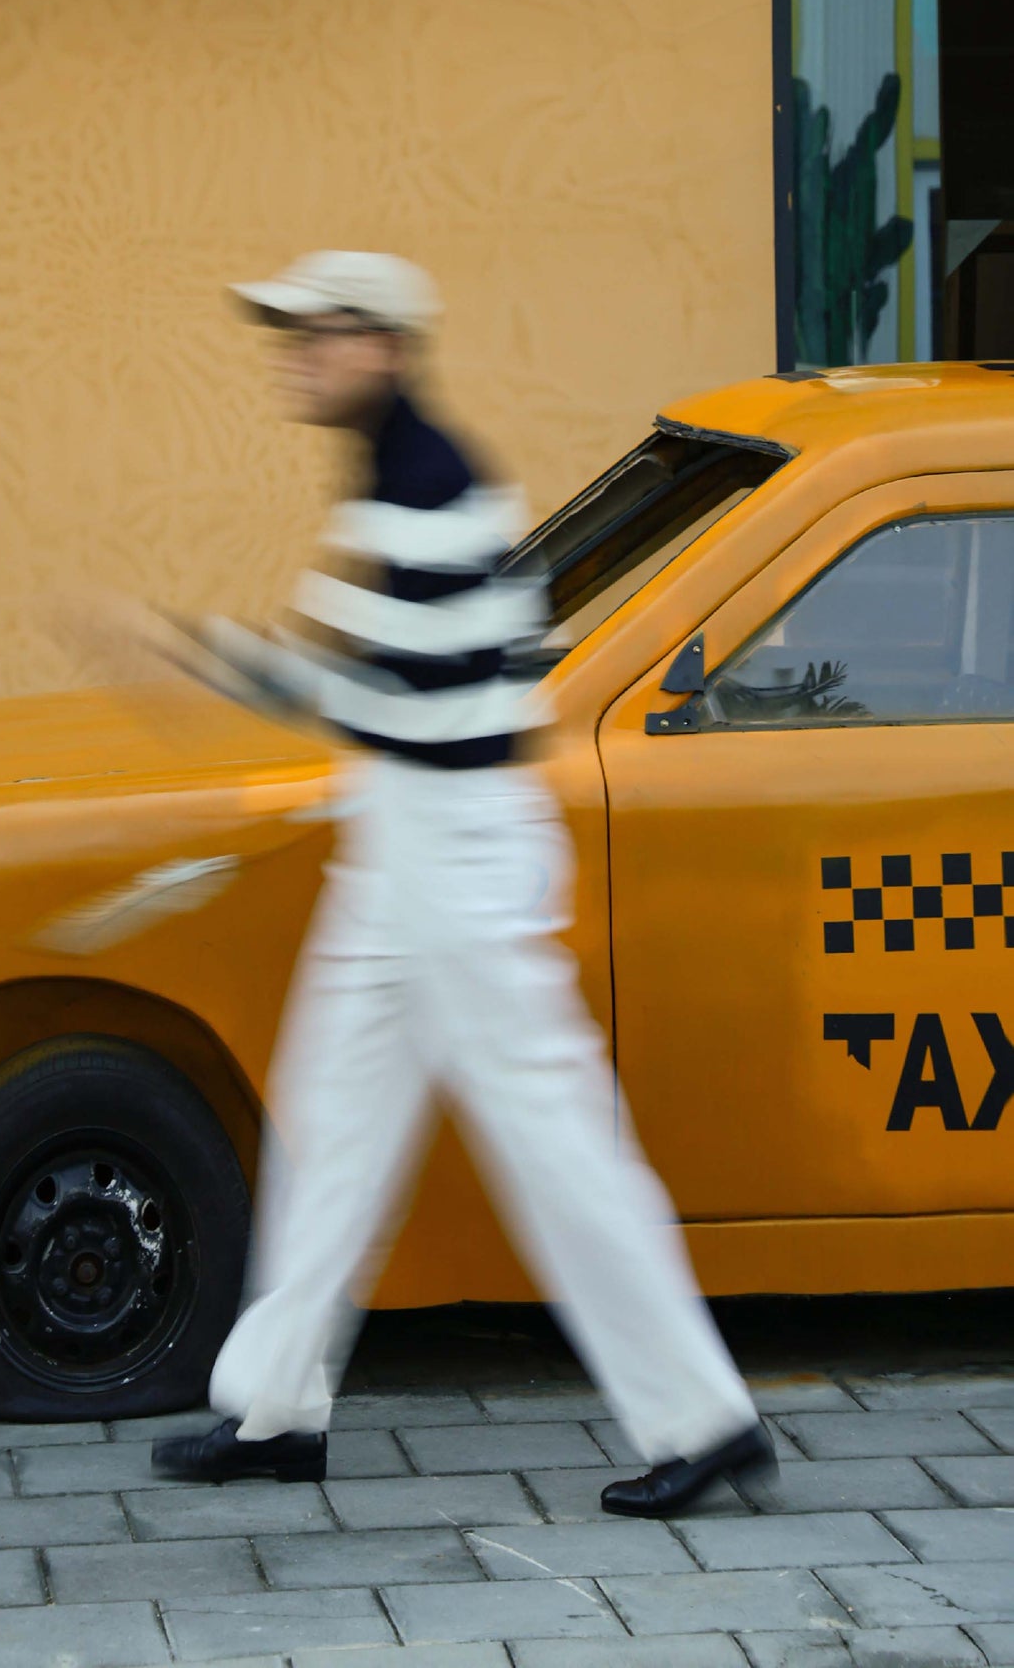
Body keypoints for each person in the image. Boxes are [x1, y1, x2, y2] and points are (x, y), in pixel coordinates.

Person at [151, 251, 773, 1517]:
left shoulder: (424, 487)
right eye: (287, 333)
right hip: (409, 846)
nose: (293, 354)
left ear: (380, 345)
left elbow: (386, 704)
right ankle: (273, 1410)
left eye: (315, 334)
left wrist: (210, 659)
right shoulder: (397, 477)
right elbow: (385, 694)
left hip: (455, 859)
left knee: (555, 1147)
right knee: (332, 1124)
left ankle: (703, 1421)